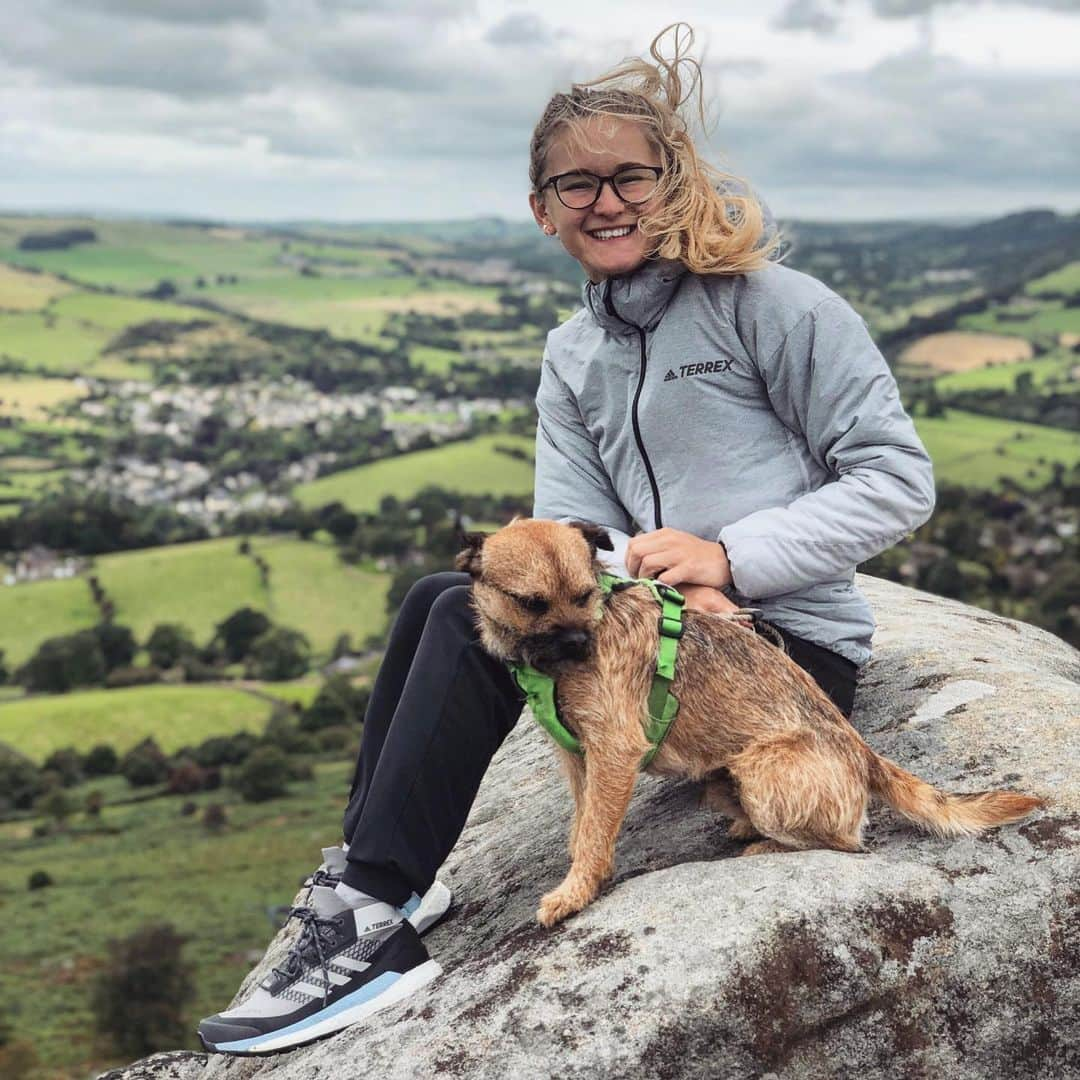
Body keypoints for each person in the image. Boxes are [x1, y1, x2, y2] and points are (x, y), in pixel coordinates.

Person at [197, 24, 934, 1056]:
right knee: (438, 598)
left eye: (630, 176)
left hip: (775, 651)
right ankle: (378, 874)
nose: (606, 202)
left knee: (457, 623)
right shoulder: (572, 353)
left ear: (674, 184)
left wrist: (735, 560)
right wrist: (644, 573)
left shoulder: (776, 309)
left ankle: (369, 914)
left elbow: (898, 480)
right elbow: (565, 537)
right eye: (575, 186)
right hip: (651, 622)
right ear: (542, 211)